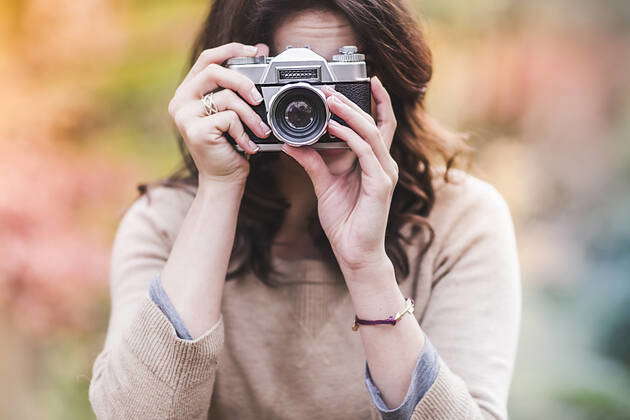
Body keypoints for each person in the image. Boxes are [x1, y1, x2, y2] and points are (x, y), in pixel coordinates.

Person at [88, 1, 521, 419]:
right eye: (282, 78)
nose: (306, 101)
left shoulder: (461, 221)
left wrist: (367, 265)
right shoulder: (165, 222)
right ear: (225, 82)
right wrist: (219, 188)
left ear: (386, 82)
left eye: (333, 78)